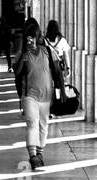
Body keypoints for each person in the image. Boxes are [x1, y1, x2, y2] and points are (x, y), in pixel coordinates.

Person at [13, 17, 66, 169]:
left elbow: (57, 71)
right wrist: (22, 58)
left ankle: (40, 151)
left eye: (33, 36)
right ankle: (33, 156)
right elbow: (16, 72)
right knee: (32, 124)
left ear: (38, 36)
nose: (31, 39)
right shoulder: (23, 53)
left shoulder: (49, 51)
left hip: (46, 96)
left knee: (43, 125)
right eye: (28, 37)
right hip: (29, 95)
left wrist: (62, 90)